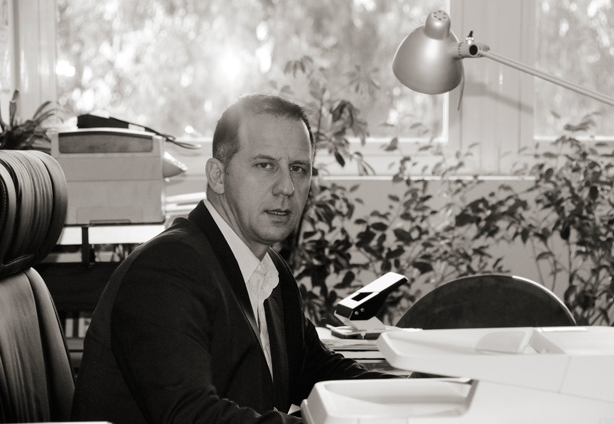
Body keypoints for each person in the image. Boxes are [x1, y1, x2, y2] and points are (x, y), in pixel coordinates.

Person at [71, 94, 395, 424]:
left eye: (298, 169)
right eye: (265, 165)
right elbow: (192, 417)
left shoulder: (270, 271)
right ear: (217, 175)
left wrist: (413, 394)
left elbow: (314, 369)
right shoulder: (166, 271)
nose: (286, 187)